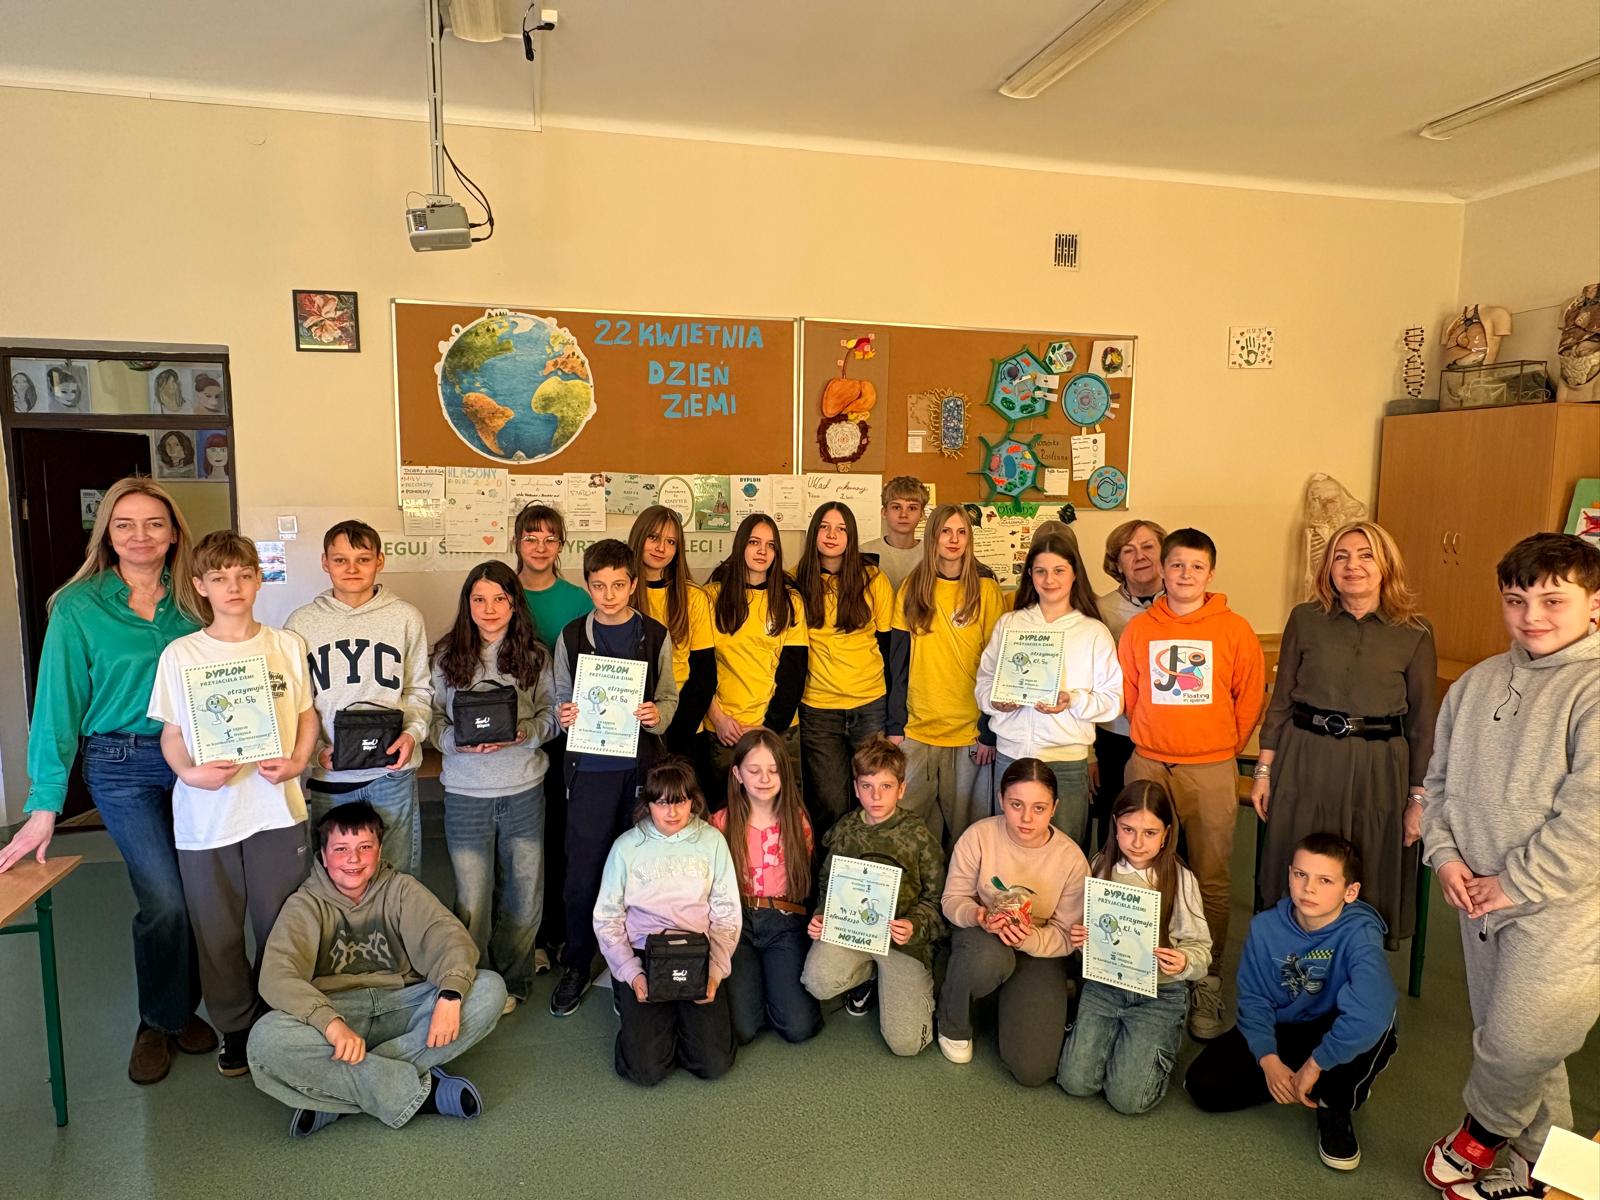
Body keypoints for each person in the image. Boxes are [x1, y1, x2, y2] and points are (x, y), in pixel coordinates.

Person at [0, 477, 215, 1084]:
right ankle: (157, 1021)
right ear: (107, 535)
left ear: (174, 534)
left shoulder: (198, 599)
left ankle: (184, 1008)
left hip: (197, 761)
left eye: (154, 524)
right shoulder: (78, 607)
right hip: (122, 765)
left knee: (198, 894)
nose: (140, 535)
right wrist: (44, 805)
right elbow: (57, 708)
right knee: (164, 898)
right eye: (125, 524)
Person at [1419, 533, 1599, 1200]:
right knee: (1520, 1044)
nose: (1532, 616)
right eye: (1517, 600)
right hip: (1476, 901)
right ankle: (1556, 1175)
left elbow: (1592, 819)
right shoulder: (1476, 683)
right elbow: (1438, 787)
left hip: (1561, 911)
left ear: (1595, 603)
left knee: (1518, 1046)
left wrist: (1513, 883)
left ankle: (1483, 1131)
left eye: (1554, 600)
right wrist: (1444, 858)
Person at [147, 532, 320, 1078]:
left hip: (277, 808)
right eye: (219, 578)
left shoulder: (285, 645)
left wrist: (298, 761)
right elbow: (172, 733)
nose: (234, 587)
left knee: (281, 924)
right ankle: (237, 1027)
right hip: (207, 817)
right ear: (200, 586)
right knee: (217, 931)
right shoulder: (182, 654)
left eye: (244, 575)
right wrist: (189, 773)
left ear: (259, 579)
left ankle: (279, 1014)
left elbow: (307, 715)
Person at [247, 803, 507, 1137]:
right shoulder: (305, 904)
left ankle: (337, 1090)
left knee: (489, 988)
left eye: (364, 847)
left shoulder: (401, 888)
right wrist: (330, 1024)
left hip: (403, 1001)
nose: (353, 859)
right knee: (265, 1039)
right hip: (338, 1014)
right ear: (323, 856)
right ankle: (419, 1093)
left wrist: (449, 995)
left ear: (380, 851)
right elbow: (277, 974)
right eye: (341, 849)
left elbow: (446, 936)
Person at [1254, 521, 1436, 948]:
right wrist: (1263, 771)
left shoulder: (1415, 631)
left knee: (1365, 860)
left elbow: (1423, 723)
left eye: (1366, 555)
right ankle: (1288, 959)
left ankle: (1354, 958)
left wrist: (1418, 799)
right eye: (1341, 556)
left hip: (1378, 766)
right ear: (1329, 568)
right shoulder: (1305, 619)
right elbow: (1281, 700)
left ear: (1386, 565)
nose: (1353, 565)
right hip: (1306, 757)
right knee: (1299, 855)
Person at [1118, 527, 1265, 1039]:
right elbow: (1130, 693)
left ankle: (1206, 978)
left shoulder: (1235, 630)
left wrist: (1217, 747)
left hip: (1210, 768)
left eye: (1196, 567)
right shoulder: (1140, 629)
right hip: (1148, 763)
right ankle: (1139, 964)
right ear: (1162, 570)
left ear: (1211, 573)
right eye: (1176, 565)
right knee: (1139, 868)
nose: (1185, 574)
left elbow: (1249, 699)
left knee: (1209, 876)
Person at [1185, 834, 1398, 1174]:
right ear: (1289, 874)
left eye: (1325, 880)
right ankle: (1307, 1080)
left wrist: (1316, 1064)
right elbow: (1254, 999)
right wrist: (1269, 1061)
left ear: (1350, 892)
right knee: (1202, 1086)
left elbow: (1372, 1011)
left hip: (1333, 1024)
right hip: (1288, 1025)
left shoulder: (1360, 931)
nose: (1308, 888)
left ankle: (1334, 1101)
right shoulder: (1264, 927)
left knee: (1378, 1019)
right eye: (1300, 874)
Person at [549, 538, 679, 1017]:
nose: (609, 595)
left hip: (639, 771)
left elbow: (669, 697)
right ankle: (578, 962)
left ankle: (639, 963)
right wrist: (564, 714)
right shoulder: (571, 636)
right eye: (599, 586)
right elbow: (560, 697)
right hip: (589, 770)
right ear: (587, 586)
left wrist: (657, 715)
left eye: (618, 585)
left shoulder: (655, 635)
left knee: (640, 871)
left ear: (633, 584)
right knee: (583, 873)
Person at [429, 560, 558, 1012]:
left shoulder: (536, 657)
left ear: (514, 603)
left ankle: (514, 979)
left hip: (523, 789)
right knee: (472, 899)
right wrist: (454, 742)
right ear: (467, 603)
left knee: (524, 894)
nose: (489, 609)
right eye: (479, 599)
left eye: (499, 599)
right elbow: (432, 720)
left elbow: (553, 715)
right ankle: (474, 980)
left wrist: (527, 733)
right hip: (466, 793)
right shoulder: (445, 657)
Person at [285, 521, 431, 877]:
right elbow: (294, 703)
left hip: (391, 775)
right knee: (336, 876)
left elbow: (418, 689)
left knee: (397, 875)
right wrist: (315, 751)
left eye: (363, 559)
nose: (352, 568)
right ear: (325, 562)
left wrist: (412, 735)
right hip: (332, 776)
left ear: (380, 560)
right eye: (340, 560)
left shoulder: (406, 617)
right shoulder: (301, 623)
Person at [1058, 779, 1212, 1114]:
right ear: (1114, 826)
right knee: (1075, 1082)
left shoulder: (1180, 879)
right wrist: (1080, 940)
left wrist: (1183, 961)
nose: (1137, 843)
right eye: (1128, 830)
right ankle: (1112, 1038)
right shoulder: (1100, 866)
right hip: (1105, 986)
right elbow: (1088, 930)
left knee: (1128, 1100)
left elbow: (1202, 950)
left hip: (1160, 993)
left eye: (1150, 833)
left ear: (1166, 834)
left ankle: (1156, 1041)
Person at [937, 758, 1087, 1085]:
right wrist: (978, 915)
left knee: (1033, 1070)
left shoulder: (1072, 859)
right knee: (985, 961)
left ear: (1055, 808)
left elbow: (1066, 935)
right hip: (983, 937)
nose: (1026, 818)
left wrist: (1028, 939)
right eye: (1016, 805)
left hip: (1038, 949)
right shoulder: (978, 836)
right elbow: (952, 900)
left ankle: (1007, 998)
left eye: (1039, 808)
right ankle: (952, 1018)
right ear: (1001, 800)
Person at [593, 756, 741, 1086]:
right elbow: (607, 918)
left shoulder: (712, 841)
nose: (672, 812)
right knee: (645, 1071)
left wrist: (716, 970)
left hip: (697, 954)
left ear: (693, 801)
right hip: (645, 954)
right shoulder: (626, 847)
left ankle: (676, 1019)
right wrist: (631, 973)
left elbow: (727, 912)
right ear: (647, 804)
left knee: (713, 1064)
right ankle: (629, 1002)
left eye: (680, 802)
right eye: (661, 803)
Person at [976, 531, 1121, 847]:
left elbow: (1113, 701)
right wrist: (995, 701)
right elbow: (984, 682)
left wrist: (1072, 700)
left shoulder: (1093, 632)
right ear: (1030, 574)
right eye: (1040, 571)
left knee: (1064, 851)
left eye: (1059, 570)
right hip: (1011, 756)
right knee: (1009, 849)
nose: (1049, 579)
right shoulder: (1010, 624)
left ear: (1074, 574)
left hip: (1065, 762)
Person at [801, 737, 944, 1057]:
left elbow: (938, 900)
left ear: (901, 789)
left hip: (902, 944)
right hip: (854, 933)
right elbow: (827, 882)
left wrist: (914, 924)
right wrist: (822, 915)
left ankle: (905, 983)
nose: (876, 796)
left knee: (906, 1045)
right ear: (856, 788)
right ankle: (870, 976)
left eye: (886, 786)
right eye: (867, 786)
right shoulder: (846, 830)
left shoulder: (918, 835)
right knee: (817, 981)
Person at [889, 503, 1005, 851]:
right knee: (910, 834)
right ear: (932, 538)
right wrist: (895, 725)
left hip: (969, 734)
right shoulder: (912, 588)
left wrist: (988, 731)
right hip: (917, 730)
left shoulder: (985, 590)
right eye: (945, 532)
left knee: (967, 836)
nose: (954, 540)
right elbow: (898, 664)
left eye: (961, 532)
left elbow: (997, 665)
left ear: (969, 539)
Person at [515, 502, 594, 971]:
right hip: (515, 734)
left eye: (550, 538)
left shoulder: (579, 600)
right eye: (531, 537)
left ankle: (561, 932)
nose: (540, 547)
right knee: (525, 841)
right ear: (517, 542)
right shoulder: (500, 593)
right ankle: (529, 937)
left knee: (562, 833)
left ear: (561, 545)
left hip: (566, 731)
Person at [710, 728, 821, 1045]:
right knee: (743, 1030)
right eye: (754, 770)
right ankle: (760, 990)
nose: (764, 779)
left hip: (784, 922)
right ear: (737, 774)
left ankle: (775, 990)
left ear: (784, 774)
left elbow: (808, 876)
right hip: (737, 924)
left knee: (798, 1027)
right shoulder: (720, 823)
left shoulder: (797, 821)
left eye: (773, 770)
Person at [794, 501, 897, 837]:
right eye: (825, 527)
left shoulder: (873, 579)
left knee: (873, 799)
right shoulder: (795, 580)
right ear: (814, 533)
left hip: (869, 704)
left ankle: (870, 862)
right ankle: (830, 867)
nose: (832, 535)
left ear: (851, 536)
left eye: (841, 529)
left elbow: (887, 644)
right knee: (829, 803)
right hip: (818, 708)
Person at [703, 512, 808, 794]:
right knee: (727, 812)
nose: (762, 551)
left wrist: (768, 727)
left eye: (770, 545)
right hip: (727, 730)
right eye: (754, 542)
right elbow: (699, 669)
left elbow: (794, 671)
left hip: (778, 729)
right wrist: (719, 719)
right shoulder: (710, 597)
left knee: (781, 812)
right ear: (741, 546)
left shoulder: (790, 600)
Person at [1091, 518, 1167, 844]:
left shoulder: (1187, 606)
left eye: (1148, 547)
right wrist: (1090, 752)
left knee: (1167, 827)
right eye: (1128, 550)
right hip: (1116, 735)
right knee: (1116, 825)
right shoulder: (1100, 611)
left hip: (1170, 738)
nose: (1140, 556)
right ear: (1116, 563)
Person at [628, 504, 717, 763]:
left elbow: (704, 676)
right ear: (639, 537)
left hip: (684, 726)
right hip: (631, 723)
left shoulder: (694, 597)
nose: (661, 548)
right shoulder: (620, 594)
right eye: (653, 537)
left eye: (671, 542)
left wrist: (673, 727)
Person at [860, 475, 929, 591]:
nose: (903, 515)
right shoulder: (864, 552)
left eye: (912, 508)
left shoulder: (932, 554)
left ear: (922, 515)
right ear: (884, 512)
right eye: (896, 507)